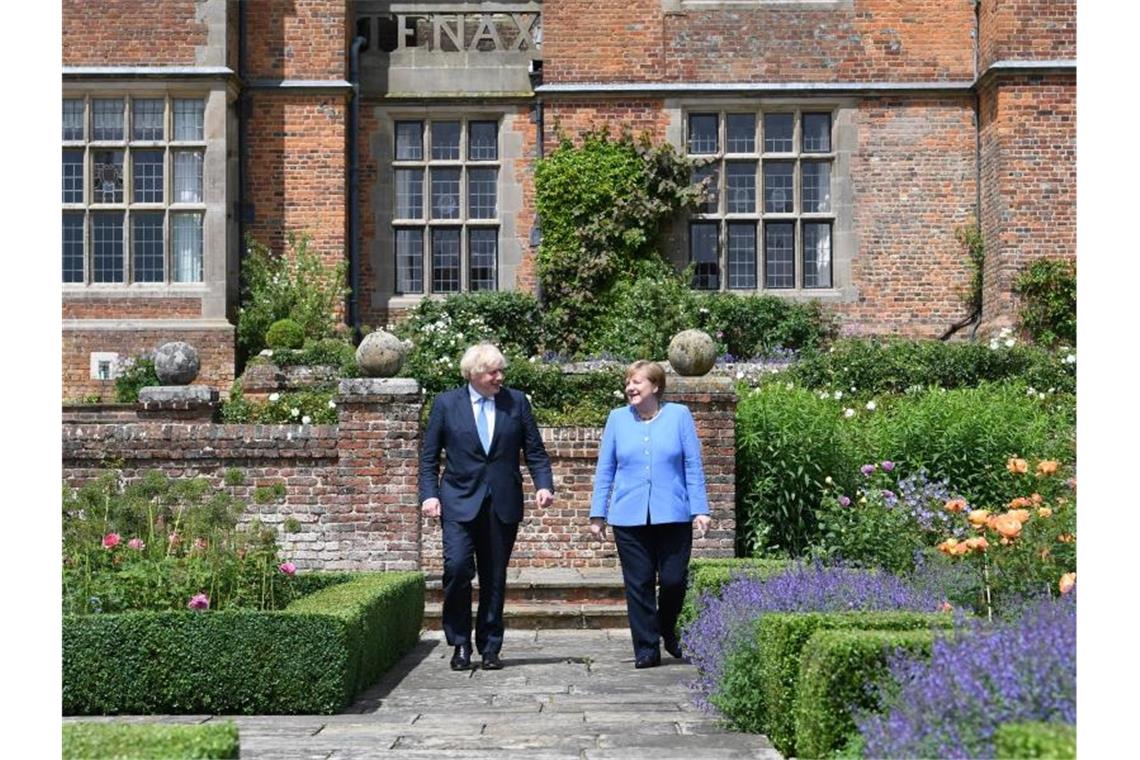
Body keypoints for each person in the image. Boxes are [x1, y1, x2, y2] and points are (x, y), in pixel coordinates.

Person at [419, 342, 555, 671]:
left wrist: (544, 485)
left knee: (494, 577)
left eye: (501, 370)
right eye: (494, 371)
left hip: (502, 503)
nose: (500, 377)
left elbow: (535, 450)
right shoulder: (446, 404)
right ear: (475, 374)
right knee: (457, 569)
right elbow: (427, 458)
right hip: (458, 501)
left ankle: (491, 647)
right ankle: (460, 643)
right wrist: (429, 494)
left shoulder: (516, 402)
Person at [589, 360, 711, 669]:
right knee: (639, 582)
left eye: (637, 382)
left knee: (673, 580)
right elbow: (606, 469)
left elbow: (693, 465)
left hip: (673, 513)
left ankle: (666, 627)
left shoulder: (679, 416)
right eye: (628, 382)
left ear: (655, 386)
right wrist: (597, 514)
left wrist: (700, 509)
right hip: (628, 516)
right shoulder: (616, 419)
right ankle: (646, 648)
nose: (630, 387)